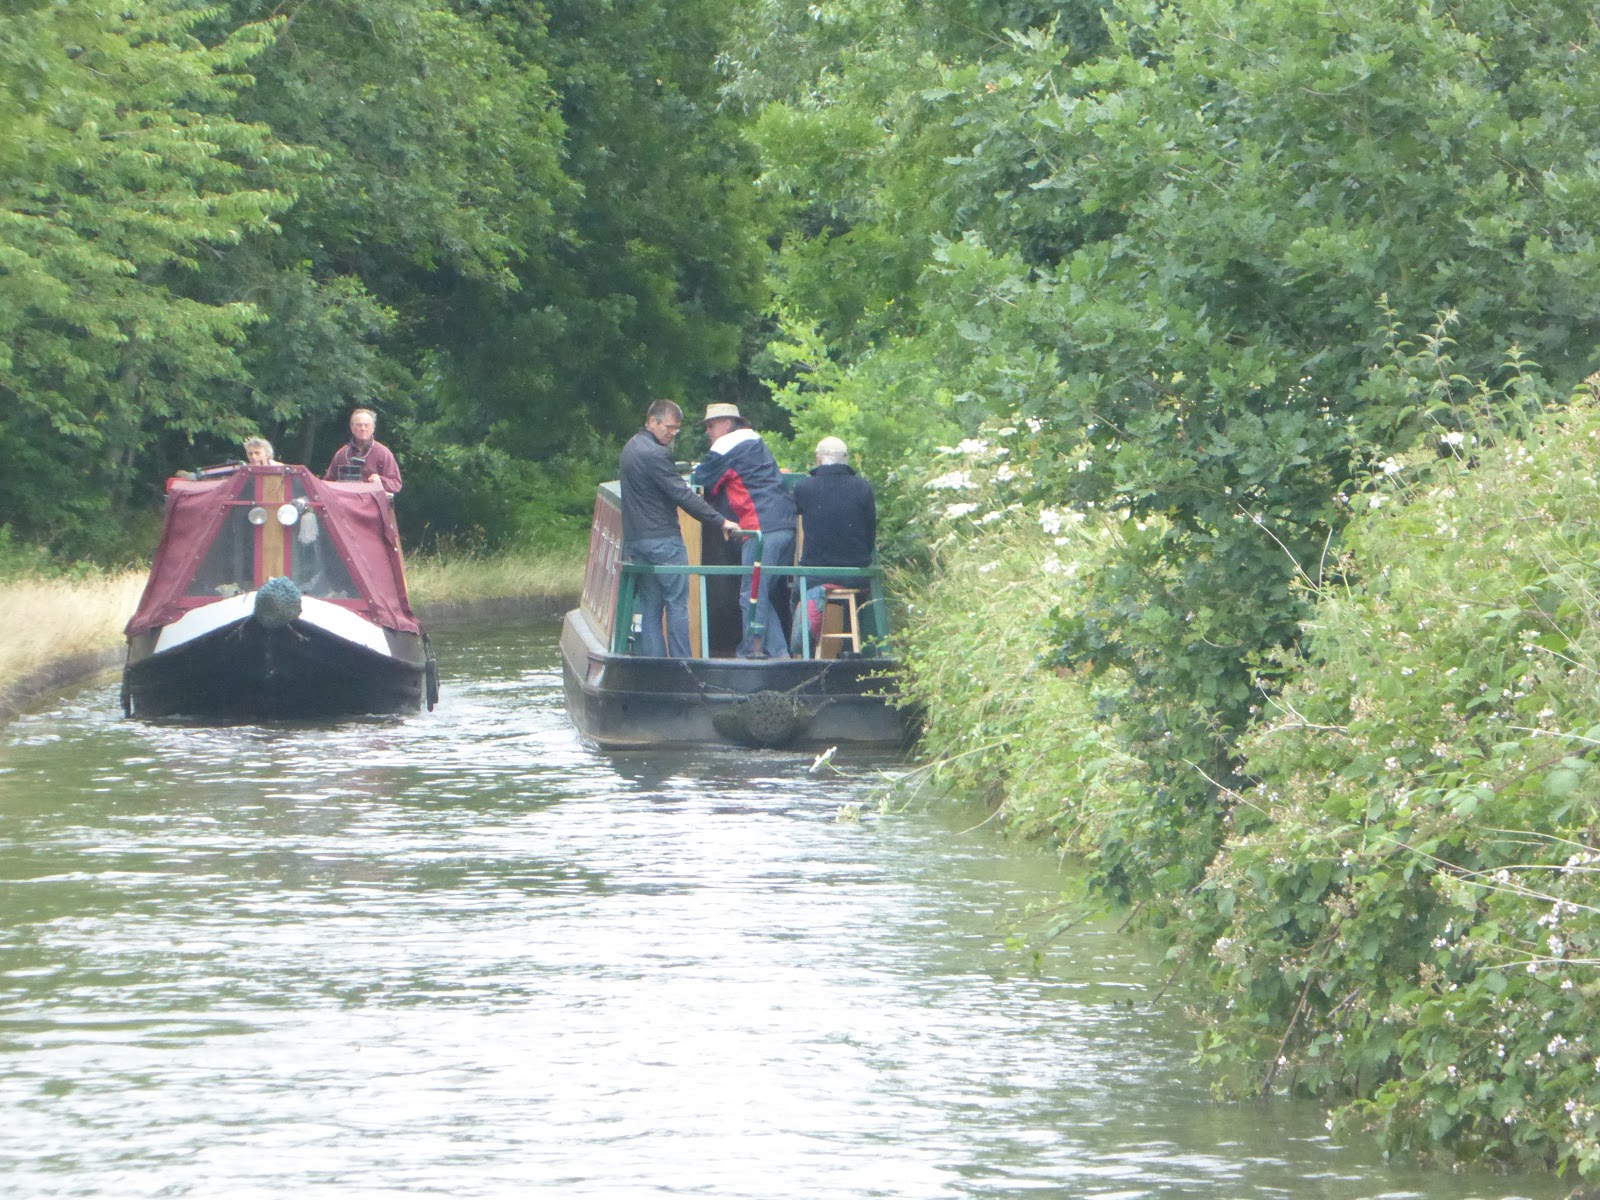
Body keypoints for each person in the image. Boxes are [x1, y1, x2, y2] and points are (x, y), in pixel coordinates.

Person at [620, 399, 741, 657]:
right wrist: (720, 521)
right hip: (664, 542)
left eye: (676, 428)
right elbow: (682, 495)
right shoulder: (656, 454)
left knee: (651, 608)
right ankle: (683, 666)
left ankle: (657, 668)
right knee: (677, 605)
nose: (673, 433)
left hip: (636, 542)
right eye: (669, 427)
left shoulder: (630, 448)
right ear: (652, 422)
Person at [691, 402, 798, 659]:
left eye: (711, 425)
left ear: (727, 423)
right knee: (763, 593)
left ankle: (752, 652)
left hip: (761, 530)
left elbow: (703, 481)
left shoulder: (725, 445)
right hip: (786, 527)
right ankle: (781, 654)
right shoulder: (757, 443)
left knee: (749, 596)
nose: (708, 431)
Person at [791, 435, 877, 654]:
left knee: (793, 591)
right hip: (854, 573)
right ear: (845, 460)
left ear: (818, 459)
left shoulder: (804, 488)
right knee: (859, 599)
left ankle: (802, 651)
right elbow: (870, 534)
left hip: (815, 574)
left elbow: (788, 515)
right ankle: (851, 651)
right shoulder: (863, 488)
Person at [324, 407, 402, 493]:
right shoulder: (342, 454)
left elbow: (396, 484)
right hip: (347, 504)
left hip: (373, 504)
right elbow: (327, 483)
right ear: (352, 428)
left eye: (366, 425)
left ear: (373, 428)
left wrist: (380, 481)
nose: (363, 429)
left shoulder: (383, 453)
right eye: (359, 425)